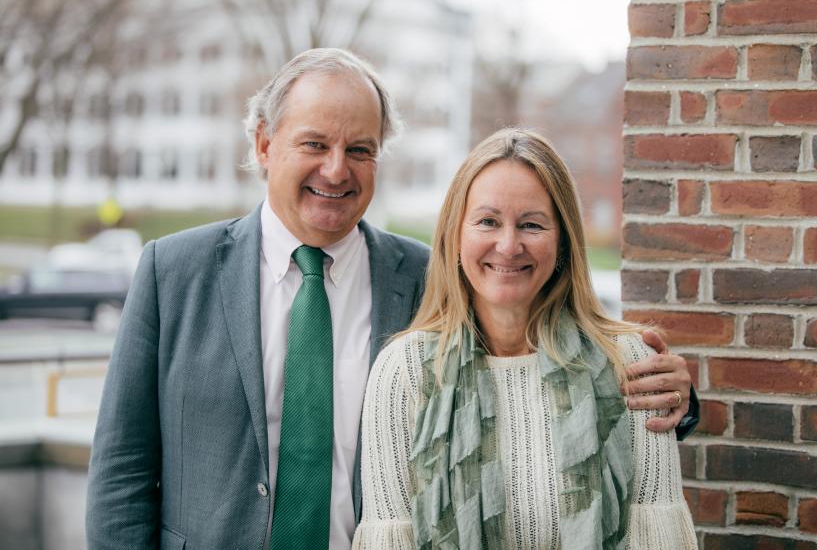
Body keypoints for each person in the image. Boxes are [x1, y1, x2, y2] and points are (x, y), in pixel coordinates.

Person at [86, 49, 695, 550]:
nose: (336, 169)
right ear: (265, 144)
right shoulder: (174, 272)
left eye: (359, 149)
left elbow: (534, 383)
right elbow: (122, 470)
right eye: (314, 144)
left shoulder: (433, 278)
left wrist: (669, 396)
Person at [352, 129, 697, 549]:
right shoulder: (404, 370)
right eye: (488, 221)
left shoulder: (627, 361)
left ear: (563, 241)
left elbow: (659, 538)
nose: (508, 245)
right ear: (455, 237)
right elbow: (389, 540)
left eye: (531, 224)